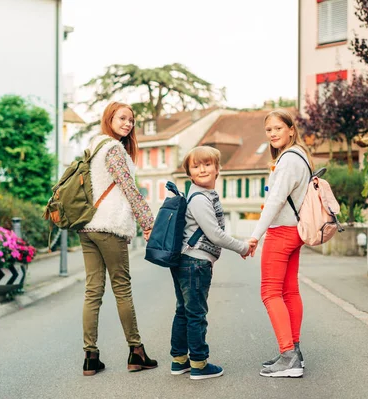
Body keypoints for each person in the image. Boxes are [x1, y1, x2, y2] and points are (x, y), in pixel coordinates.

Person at [79, 101, 157, 376]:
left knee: (93, 291)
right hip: (110, 225)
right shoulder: (113, 149)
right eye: (122, 118)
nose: (127, 123)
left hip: (88, 226)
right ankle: (136, 352)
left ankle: (90, 357)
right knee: (121, 288)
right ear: (109, 118)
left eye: (131, 120)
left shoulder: (93, 147)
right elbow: (128, 187)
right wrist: (148, 222)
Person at [169, 146, 255, 380]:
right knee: (195, 314)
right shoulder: (199, 199)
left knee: (184, 312)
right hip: (195, 263)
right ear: (189, 174)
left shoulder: (201, 196)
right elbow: (215, 234)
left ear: (218, 169)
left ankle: (179, 361)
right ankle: (198, 363)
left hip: (186, 260)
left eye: (207, 164)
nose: (202, 169)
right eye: (196, 166)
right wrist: (243, 247)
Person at [248, 109, 313, 378]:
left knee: (270, 293)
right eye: (269, 130)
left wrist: (255, 234)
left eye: (278, 128)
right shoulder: (302, 157)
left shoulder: (288, 160)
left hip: (281, 233)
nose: (273, 134)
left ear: (291, 130)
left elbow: (275, 202)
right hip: (296, 231)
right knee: (289, 292)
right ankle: (294, 352)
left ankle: (288, 357)